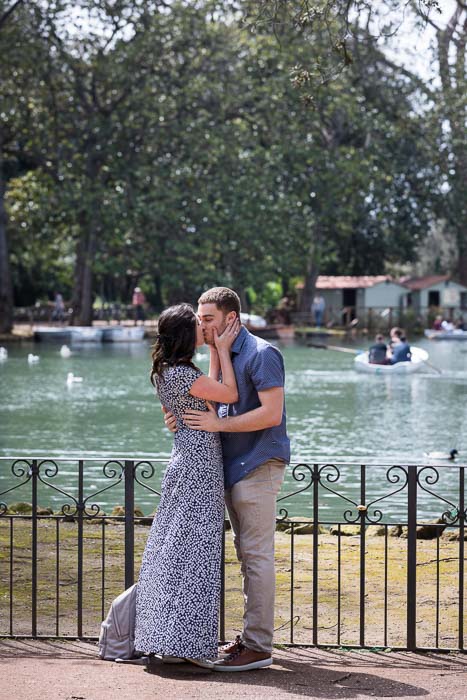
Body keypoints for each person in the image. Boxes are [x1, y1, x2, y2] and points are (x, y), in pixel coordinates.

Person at [165, 286, 290, 672]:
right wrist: (177, 417)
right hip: (227, 468)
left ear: (230, 319)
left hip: (257, 464)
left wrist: (219, 423)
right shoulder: (217, 357)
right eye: (199, 320)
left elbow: (271, 414)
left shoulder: (262, 354)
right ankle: (250, 640)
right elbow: (204, 403)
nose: (201, 327)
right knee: (245, 557)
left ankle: (258, 646)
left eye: (208, 320)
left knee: (256, 557)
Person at [134, 303, 240, 668]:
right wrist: (223, 350)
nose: (203, 326)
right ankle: (188, 644)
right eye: (198, 323)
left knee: (178, 551)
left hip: (186, 461)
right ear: (185, 333)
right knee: (195, 553)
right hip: (199, 466)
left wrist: (212, 351)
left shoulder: (169, 371)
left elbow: (209, 392)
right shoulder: (180, 373)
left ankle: (174, 638)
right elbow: (229, 394)